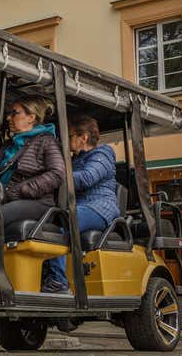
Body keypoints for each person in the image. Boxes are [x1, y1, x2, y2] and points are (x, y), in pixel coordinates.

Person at [0, 96, 65, 283]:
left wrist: (23, 190)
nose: (9, 118)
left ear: (31, 117)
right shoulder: (9, 145)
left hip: (38, 203)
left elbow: (57, 174)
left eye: (14, 113)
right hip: (7, 199)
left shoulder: (47, 141)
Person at [42, 115, 120, 294]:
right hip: (80, 207)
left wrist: (55, 175)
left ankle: (58, 281)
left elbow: (87, 178)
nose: (67, 141)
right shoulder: (74, 160)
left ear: (83, 137)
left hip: (99, 207)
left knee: (62, 221)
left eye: (70, 136)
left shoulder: (103, 154)